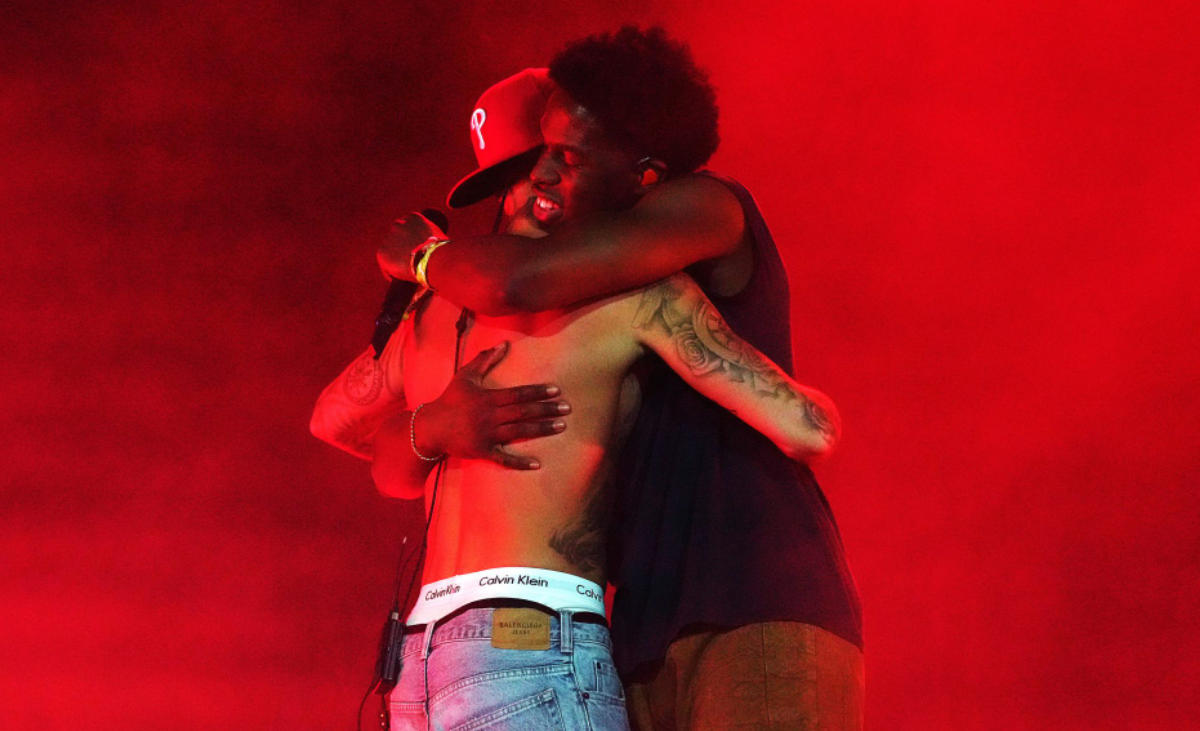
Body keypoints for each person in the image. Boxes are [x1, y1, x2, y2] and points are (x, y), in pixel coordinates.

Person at [315, 61, 841, 731]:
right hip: (535, 636)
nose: (536, 183)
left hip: (422, 661)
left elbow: (334, 420)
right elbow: (808, 426)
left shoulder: (431, 311)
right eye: (524, 170)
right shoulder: (634, 292)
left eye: (559, 159)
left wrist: (424, 429)